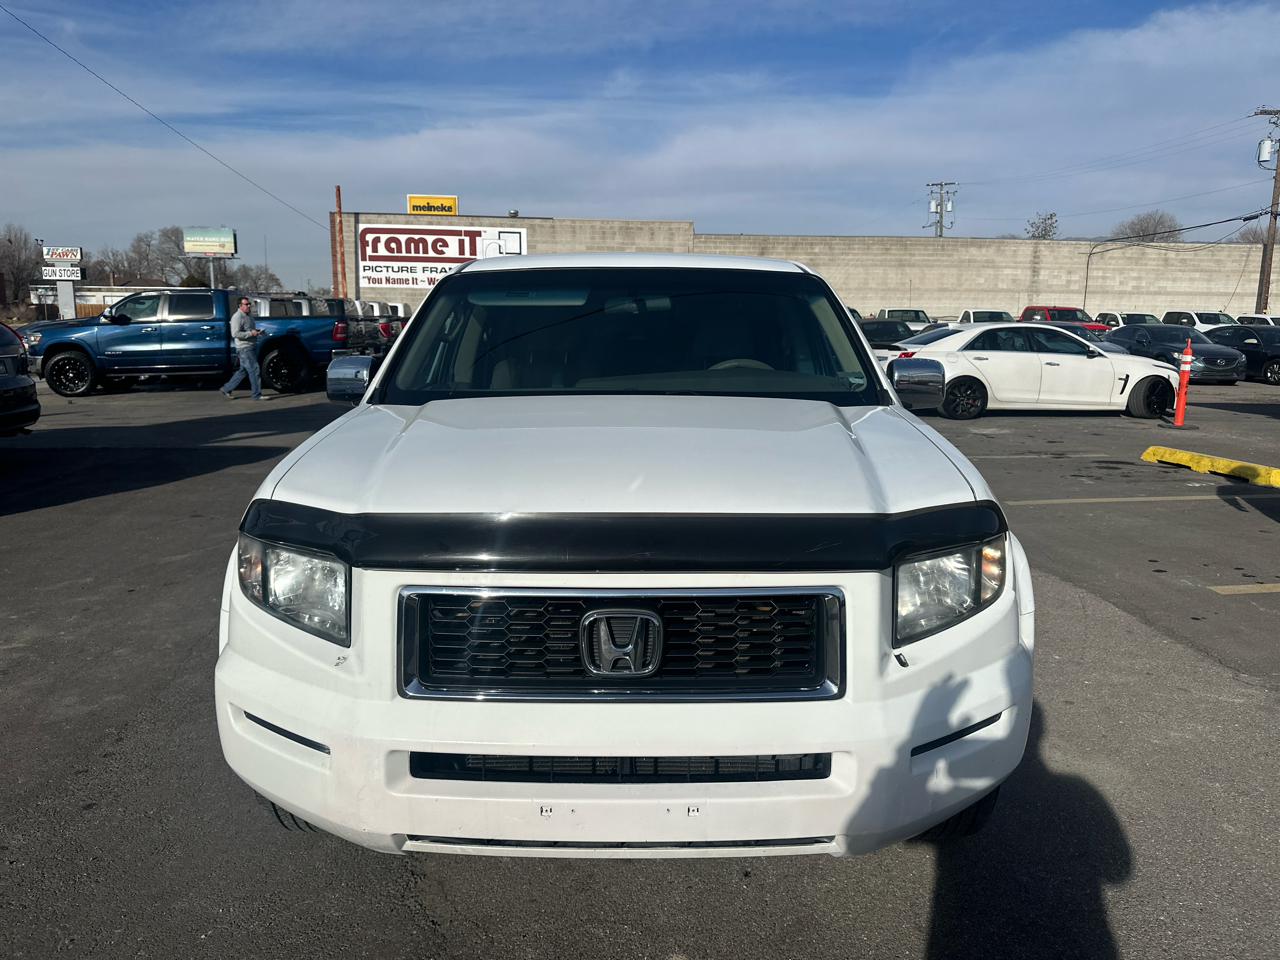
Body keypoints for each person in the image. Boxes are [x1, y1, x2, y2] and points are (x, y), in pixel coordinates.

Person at [220, 297, 264, 400]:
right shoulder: (237, 317)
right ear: (240, 306)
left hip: (250, 346)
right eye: (246, 304)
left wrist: (256, 331)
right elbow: (235, 333)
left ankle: (226, 388)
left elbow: (248, 329)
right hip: (244, 348)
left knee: (243, 370)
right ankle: (256, 394)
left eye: (249, 304)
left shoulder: (248, 316)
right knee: (254, 369)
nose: (249, 306)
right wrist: (250, 333)